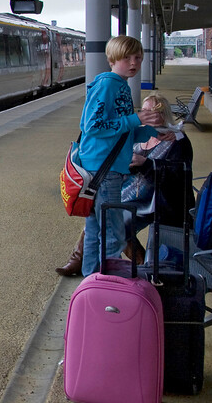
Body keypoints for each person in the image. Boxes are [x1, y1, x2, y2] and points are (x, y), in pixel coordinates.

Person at [55, 36, 172, 277]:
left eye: (137, 58)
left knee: (95, 232)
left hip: (104, 169)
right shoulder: (109, 85)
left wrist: (155, 133)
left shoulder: (120, 85)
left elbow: (121, 133)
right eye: (126, 57)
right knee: (114, 237)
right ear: (112, 59)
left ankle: (90, 282)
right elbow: (92, 125)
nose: (133, 63)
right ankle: (104, 288)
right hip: (104, 172)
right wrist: (136, 119)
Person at [55, 92, 193, 275]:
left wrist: (147, 164)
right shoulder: (140, 134)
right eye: (144, 111)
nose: (148, 115)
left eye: (154, 111)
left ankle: (139, 266)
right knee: (99, 209)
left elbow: (179, 174)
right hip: (134, 192)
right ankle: (81, 259)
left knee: (115, 222)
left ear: (163, 114)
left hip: (159, 198)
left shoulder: (176, 140)